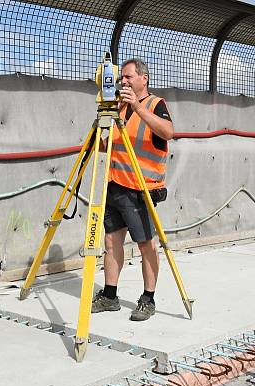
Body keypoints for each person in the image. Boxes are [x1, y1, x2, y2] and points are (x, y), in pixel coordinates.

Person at [92, 58, 174, 321]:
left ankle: (148, 298)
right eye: (121, 78)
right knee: (111, 241)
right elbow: (109, 146)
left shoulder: (154, 104)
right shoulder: (119, 108)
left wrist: (137, 107)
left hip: (141, 188)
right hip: (115, 185)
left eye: (128, 77)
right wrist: (102, 126)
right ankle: (109, 295)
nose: (123, 81)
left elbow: (168, 132)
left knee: (146, 245)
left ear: (143, 79)